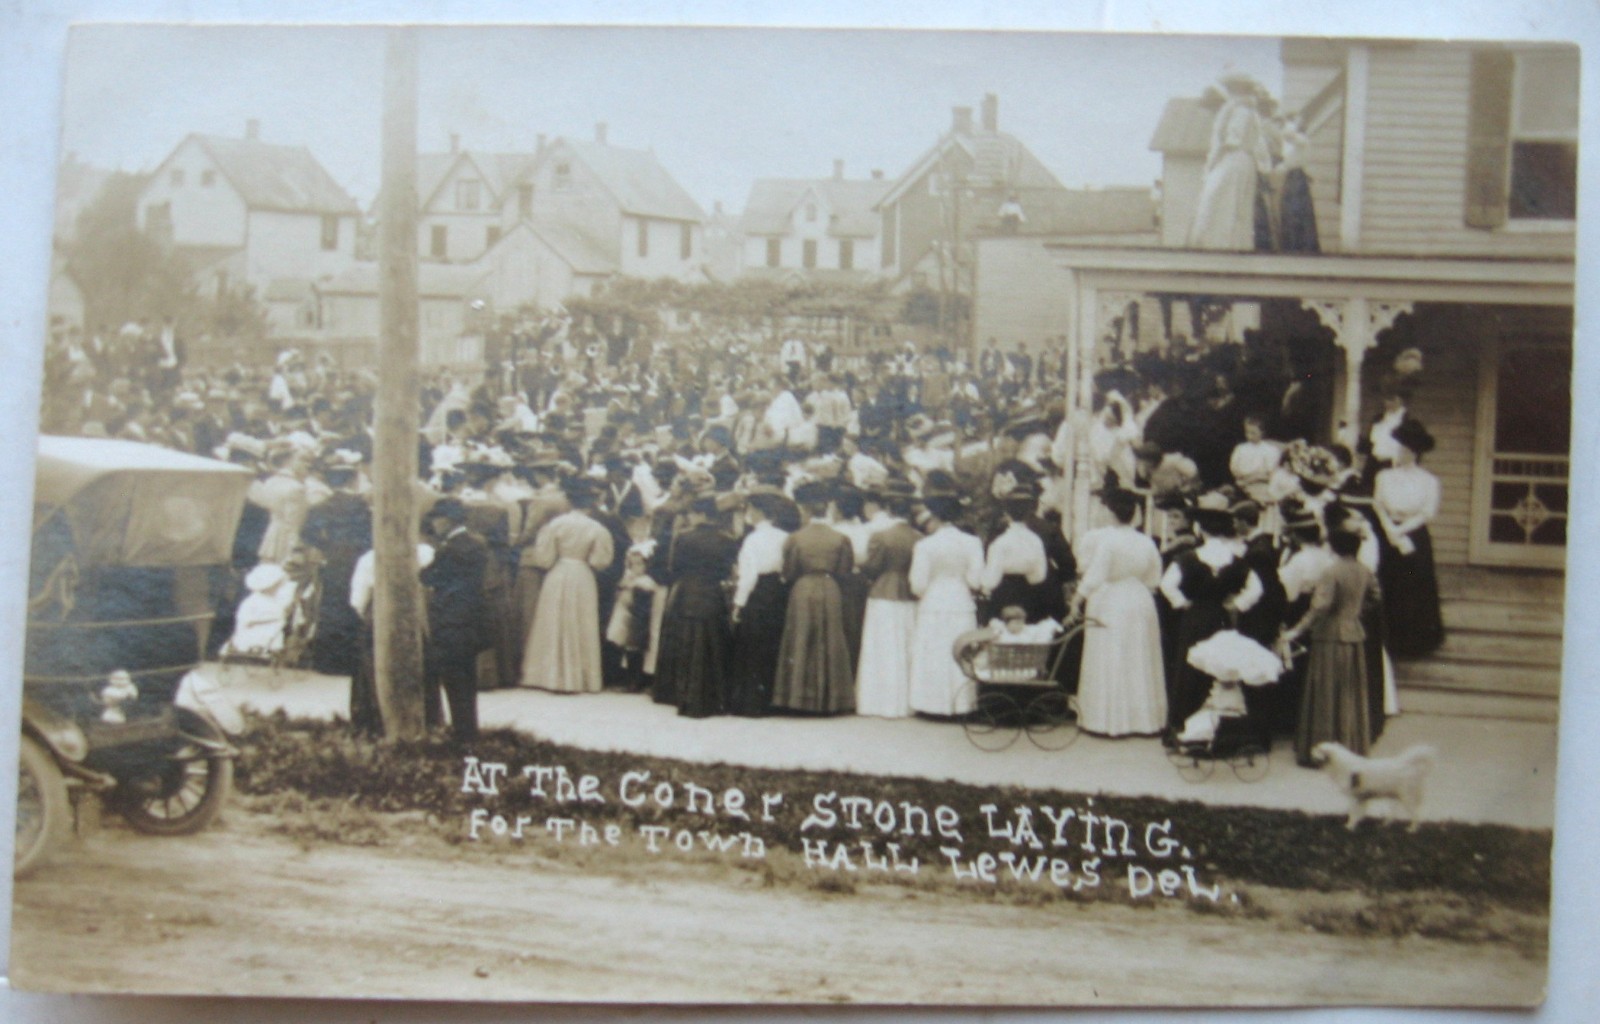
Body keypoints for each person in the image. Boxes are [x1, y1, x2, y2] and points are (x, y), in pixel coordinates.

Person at [1159, 495, 1263, 733]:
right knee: (1219, 667)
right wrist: (1237, 604)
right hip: (1221, 618)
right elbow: (1256, 589)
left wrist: (1182, 602)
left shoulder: (1188, 558)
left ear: (1200, 529)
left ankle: (1184, 724)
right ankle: (1219, 728)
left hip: (1195, 617)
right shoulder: (1235, 560)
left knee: (1190, 670)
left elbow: (1167, 584)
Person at [1071, 488, 1166, 737]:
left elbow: (1095, 575)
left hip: (1112, 599)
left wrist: (1077, 599)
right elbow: (1154, 578)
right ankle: (1143, 720)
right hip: (1140, 599)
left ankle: (1107, 720)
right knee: (1138, 655)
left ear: (1112, 513)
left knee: (1111, 654)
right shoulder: (1147, 541)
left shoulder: (1109, 542)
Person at [1284, 525, 1381, 765]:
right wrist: (1354, 614)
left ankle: (1322, 753)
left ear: (1335, 547)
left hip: (1329, 636)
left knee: (1326, 692)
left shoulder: (1331, 572)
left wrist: (1298, 629)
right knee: (1349, 692)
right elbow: (1375, 597)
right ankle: (1351, 748)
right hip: (1353, 634)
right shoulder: (1364, 570)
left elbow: (1320, 606)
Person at [519, 477, 616, 693]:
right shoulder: (597, 528)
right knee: (581, 622)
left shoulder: (555, 525)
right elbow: (600, 561)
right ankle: (580, 677)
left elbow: (543, 559)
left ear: (570, 502)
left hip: (558, 573)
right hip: (582, 575)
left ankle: (550, 676)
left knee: (554, 621)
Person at [771, 482, 856, 714]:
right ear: (827, 508)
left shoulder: (796, 538)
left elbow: (787, 573)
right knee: (831, 639)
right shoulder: (840, 537)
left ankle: (797, 698)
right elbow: (845, 572)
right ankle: (832, 699)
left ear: (805, 510)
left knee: (800, 638)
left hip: (803, 587)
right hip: (830, 587)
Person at [655, 496, 740, 718]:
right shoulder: (727, 539)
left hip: (687, 590)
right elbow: (728, 569)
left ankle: (680, 692)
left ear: (701, 514)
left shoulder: (684, 537)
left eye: (692, 513)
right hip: (713, 592)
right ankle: (716, 696)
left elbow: (675, 567)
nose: (690, 517)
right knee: (714, 641)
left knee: (685, 641)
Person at [908, 493, 985, 717]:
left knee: (933, 651)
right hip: (961, 602)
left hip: (933, 602)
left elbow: (918, 585)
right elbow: (975, 581)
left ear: (934, 515)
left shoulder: (926, 545)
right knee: (959, 653)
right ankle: (961, 704)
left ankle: (931, 704)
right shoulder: (972, 542)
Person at [1373, 420, 1445, 658]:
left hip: (1413, 534)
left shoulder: (1428, 480)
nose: (1400, 452)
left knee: (1413, 586)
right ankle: (1387, 641)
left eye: (1404, 448)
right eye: (1398, 447)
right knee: (1388, 583)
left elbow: (1427, 512)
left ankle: (1414, 643)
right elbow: (1378, 504)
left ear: (1414, 452)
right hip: (1388, 533)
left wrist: (1402, 530)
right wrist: (1389, 530)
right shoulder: (1384, 476)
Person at [420, 498, 489, 743]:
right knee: (466, 680)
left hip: (450, 619)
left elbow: (428, 577)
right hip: (470, 619)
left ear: (447, 520)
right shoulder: (477, 544)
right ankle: (467, 729)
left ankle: (462, 733)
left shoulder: (450, 549)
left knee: (453, 679)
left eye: (437, 519)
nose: (434, 524)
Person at [298, 463, 372, 678]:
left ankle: (327, 660)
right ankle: (349, 661)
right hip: (356, 559)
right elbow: (370, 534)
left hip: (333, 559)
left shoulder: (323, 505)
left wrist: (326, 546)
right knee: (354, 604)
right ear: (352, 480)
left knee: (331, 605)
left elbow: (306, 532)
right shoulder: (360, 505)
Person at [854, 482, 921, 718]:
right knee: (906, 645)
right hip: (909, 592)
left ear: (889, 509)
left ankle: (879, 702)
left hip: (883, 591)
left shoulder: (881, 536)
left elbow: (871, 567)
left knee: (882, 647)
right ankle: (905, 701)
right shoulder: (918, 536)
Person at [1187, 72, 1270, 250]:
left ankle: (1222, 244)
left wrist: (1215, 158)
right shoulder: (1242, 110)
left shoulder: (1241, 111)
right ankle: (1225, 243)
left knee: (1221, 199)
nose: (1230, 91)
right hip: (1241, 160)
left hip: (1235, 158)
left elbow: (1233, 140)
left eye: (1232, 87)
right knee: (1228, 202)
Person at [727, 491, 792, 716]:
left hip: (758, 592)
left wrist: (738, 604)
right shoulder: (784, 536)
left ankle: (751, 703)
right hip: (778, 591)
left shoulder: (753, 539)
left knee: (753, 646)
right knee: (772, 643)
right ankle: (771, 699)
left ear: (757, 511)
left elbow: (749, 576)